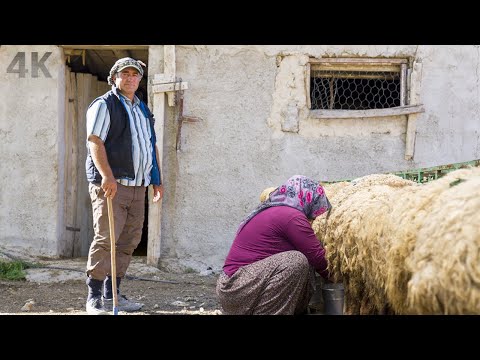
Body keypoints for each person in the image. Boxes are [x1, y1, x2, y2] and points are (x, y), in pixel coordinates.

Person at [84, 57, 164, 315]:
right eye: (125, 73)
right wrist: (106, 175)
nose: (130, 78)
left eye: (135, 74)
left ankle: (113, 293)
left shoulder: (142, 108)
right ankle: (94, 296)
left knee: (129, 241)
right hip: (112, 185)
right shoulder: (105, 104)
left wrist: (157, 179)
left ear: (140, 80)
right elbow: (95, 140)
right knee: (106, 238)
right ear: (115, 77)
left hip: (138, 186)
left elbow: (151, 146)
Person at [216, 175, 332, 315]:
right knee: (295, 261)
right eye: (315, 207)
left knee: (304, 264)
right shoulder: (292, 217)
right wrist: (348, 280)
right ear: (307, 199)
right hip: (236, 288)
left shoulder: (276, 210)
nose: (313, 217)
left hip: (235, 288)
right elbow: (318, 258)